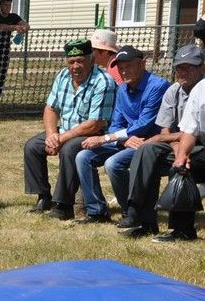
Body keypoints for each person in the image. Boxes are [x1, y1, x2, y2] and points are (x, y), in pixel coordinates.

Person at [71, 46, 168, 224]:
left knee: (113, 163)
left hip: (149, 143)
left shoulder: (158, 86)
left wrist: (109, 138)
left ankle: (131, 211)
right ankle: (96, 211)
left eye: (128, 66)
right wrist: (123, 139)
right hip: (127, 140)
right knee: (83, 156)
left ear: (142, 64)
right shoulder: (122, 90)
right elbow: (116, 123)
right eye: (120, 67)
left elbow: (145, 124)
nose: (123, 71)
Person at [22, 40, 115, 221]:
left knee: (69, 149)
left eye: (80, 61)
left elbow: (95, 123)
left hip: (95, 135)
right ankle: (43, 197)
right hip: (65, 131)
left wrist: (61, 138)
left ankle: (63, 205)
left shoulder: (103, 82)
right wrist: (51, 135)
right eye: (71, 62)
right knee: (32, 146)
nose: (75, 66)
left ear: (92, 60)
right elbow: (51, 108)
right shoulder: (63, 76)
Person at [121, 44, 205, 241]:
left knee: (182, 167)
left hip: (200, 146)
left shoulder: (201, 89)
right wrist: (178, 150)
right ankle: (143, 219)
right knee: (147, 150)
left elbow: (195, 133)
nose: (182, 72)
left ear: (202, 67)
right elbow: (171, 129)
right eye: (179, 67)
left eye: (189, 67)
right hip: (186, 144)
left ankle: (182, 231)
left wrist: (167, 141)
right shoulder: (174, 90)